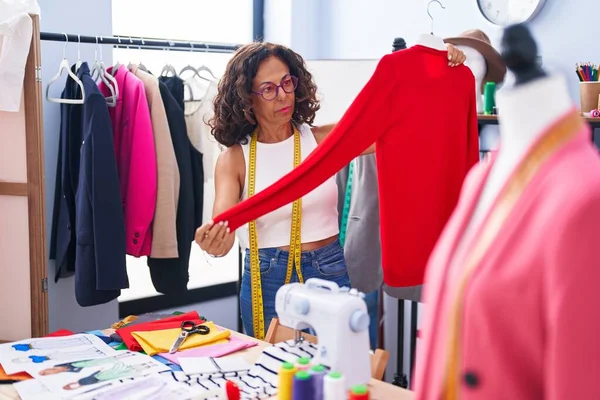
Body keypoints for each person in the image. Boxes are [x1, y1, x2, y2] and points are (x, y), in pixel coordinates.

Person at [194, 42, 467, 338]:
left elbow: (402, 126)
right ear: (247, 98)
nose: (283, 95)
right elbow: (223, 228)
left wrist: (438, 69)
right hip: (266, 276)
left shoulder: (324, 141)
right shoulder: (234, 158)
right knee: (271, 376)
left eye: (287, 82)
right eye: (269, 89)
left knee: (340, 371)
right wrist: (215, 241)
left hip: (328, 269)